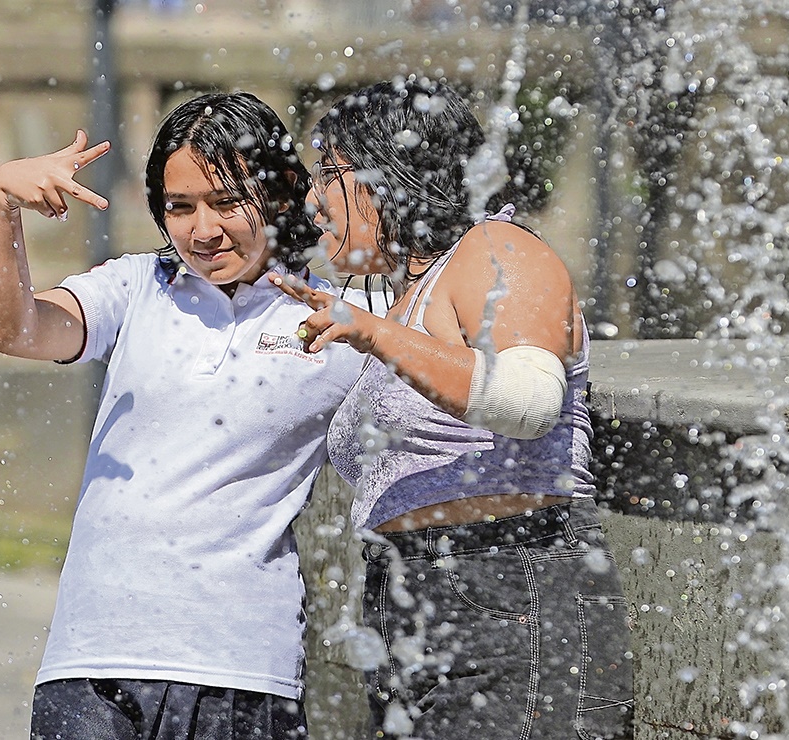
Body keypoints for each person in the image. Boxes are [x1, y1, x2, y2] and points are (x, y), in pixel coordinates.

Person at [0, 91, 368, 739]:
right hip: (90, 663)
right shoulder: (133, 288)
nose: (202, 230)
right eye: (179, 207)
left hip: (241, 672)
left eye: (225, 201)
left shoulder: (334, 321)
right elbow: (10, 331)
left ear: (283, 190)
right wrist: (2, 208)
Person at [272, 78, 635, 739]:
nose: (312, 199)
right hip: (411, 598)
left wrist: (373, 332)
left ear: (391, 171)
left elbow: (526, 401)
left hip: (509, 587)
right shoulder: (407, 296)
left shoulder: (495, 249)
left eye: (329, 172)